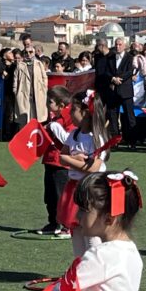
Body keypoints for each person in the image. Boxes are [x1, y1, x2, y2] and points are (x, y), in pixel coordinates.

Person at [57, 92, 110, 257]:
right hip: (74, 188)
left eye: (73, 110)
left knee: (91, 234)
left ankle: (95, 270)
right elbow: (61, 156)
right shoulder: (74, 134)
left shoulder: (97, 138)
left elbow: (93, 168)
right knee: (77, 231)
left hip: (90, 189)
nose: (70, 113)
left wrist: (70, 160)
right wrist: (75, 160)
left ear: (86, 112)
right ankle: (80, 269)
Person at [37, 86, 76, 236]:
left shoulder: (69, 118)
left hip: (62, 163)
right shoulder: (55, 118)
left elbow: (69, 140)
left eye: (50, 101)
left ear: (60, 104)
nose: (47, 104)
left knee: (62, 196)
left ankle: (68, 225)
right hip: (50, 160)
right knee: (50, 196)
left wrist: (54, 127)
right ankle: (53, 223)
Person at [103, 37, 137, 143]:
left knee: (129, 116)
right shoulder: (110, 57)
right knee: (112, 115)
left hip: (126, 91)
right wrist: (113, 79)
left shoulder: (130, 57)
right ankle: (115, 138)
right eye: (116, 44)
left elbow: (130, 71)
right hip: (113, 91)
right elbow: (106, 71)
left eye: (120, 44)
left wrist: (119, 79)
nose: (118, 47)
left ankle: (131, 139)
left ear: (125, 46)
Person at [14, 47, 48, 125]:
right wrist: (16, 92)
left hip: (37, 95)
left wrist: (44, 89)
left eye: (30, 52)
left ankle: (36, 135)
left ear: (34, 53)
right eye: (26, 52)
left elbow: (44, 77)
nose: (28, 54)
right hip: (24, 95)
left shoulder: (39, 64)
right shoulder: (20, 65)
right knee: (24, 119)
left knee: (37, 117)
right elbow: (15, 80)